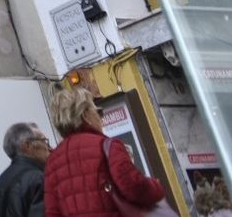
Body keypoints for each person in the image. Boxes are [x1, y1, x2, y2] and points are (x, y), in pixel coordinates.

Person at [43, 87, 164, 217]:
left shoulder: (51, 163)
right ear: (86, 116)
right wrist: (156, 186)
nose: (101, 119)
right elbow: (133, 186)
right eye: (98, 112)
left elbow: (52, 212)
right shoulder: (106, 146)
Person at [0, 121, 50, 217]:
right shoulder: (36, 178)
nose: (48, 147)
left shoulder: (0, 182)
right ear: (27, 146)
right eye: (43, 141)